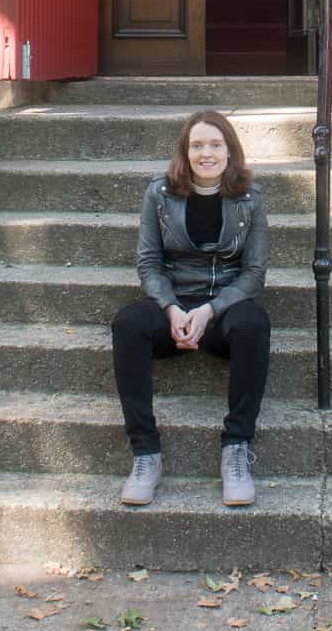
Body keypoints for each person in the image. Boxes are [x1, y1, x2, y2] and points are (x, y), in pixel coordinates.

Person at [110, 108, 271, 509]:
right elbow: (149, 263)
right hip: (174, 309)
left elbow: (253, 274)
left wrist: (209, 311)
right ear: (185, 152)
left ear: (230, 151)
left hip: (222, 312)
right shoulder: (159, 194)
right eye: (197, 145)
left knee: (254, 324)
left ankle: (236, 450)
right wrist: (171, 308)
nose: (206, 153)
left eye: (215, 145)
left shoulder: (250, 198)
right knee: (128, 324)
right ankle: (145, 455)